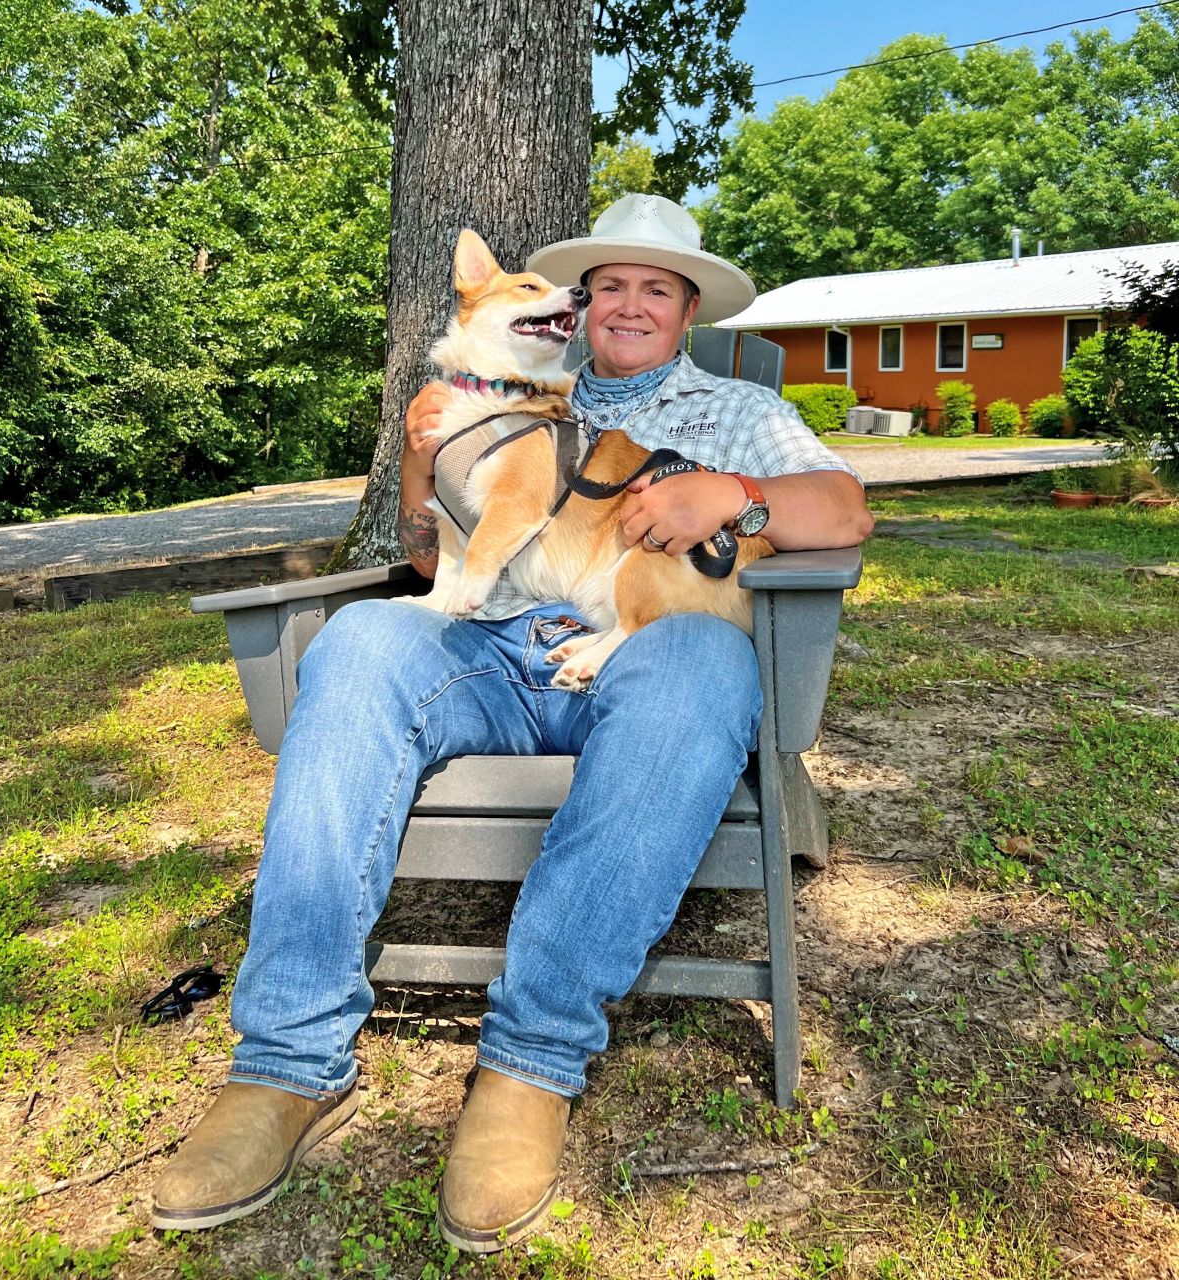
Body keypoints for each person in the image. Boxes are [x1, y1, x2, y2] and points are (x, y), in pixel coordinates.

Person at [150, 194, 872, 1250]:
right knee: (354, 642)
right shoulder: (512, 385)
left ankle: (529, 1061)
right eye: (608, 285)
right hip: (489, 646)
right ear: (577, 307)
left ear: (685, 309)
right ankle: (286, 1064)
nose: (623, 304)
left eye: (652, 289)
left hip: (645, 652)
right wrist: (414, 461)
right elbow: (430, 558)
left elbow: (846, 511)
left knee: (704, 659)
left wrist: (728, 492)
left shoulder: (730, 408)